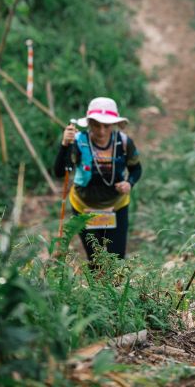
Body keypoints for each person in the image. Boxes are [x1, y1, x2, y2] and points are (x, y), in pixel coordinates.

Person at [54, 97, 142, 264]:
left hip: (116, 206)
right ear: (89, 124)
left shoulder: (123, 143)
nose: (101, 131)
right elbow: (60, 172)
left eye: (106, 126)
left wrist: (129, 183)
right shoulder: (78, 142)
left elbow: (136, 169)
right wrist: (65, 145)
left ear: (114, 124)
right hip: (83, 206)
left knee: (116, 259)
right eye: (96, 125)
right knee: (95, 260)